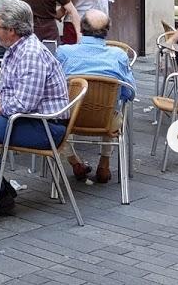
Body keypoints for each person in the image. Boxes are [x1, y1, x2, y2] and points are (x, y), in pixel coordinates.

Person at [0, 0, 70, 217]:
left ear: (11, 30)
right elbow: (5, 85)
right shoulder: (16, 49)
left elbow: (24, 104)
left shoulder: (30, 54)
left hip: (45, 126)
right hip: (28, 118)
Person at [55, 10, 134, 184]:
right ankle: (104, 165)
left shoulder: (63, 52)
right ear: (107, 31)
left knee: (55, 116)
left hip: (70, 119)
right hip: (105, 121)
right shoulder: (118, 56)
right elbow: (130, 93)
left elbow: (53, 86)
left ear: (81, 29)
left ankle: (74, 162)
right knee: (111, 108)